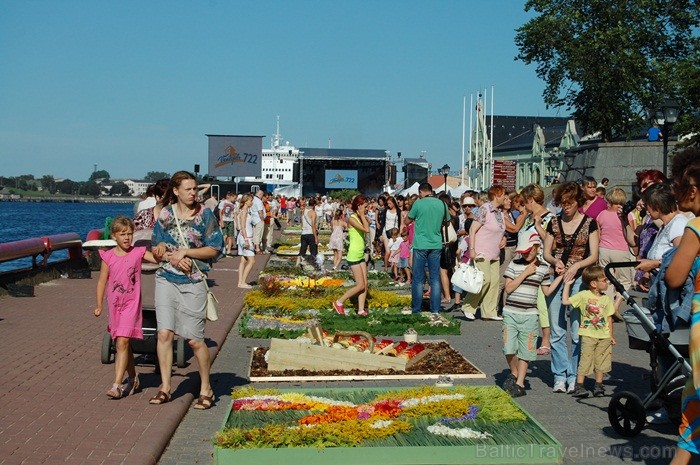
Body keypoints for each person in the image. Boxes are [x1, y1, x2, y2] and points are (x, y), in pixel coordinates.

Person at [150, 171, 224, 409]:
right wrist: (164, 251)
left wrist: (187, 252)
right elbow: (156, 243)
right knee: (164, 334)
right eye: (188, 189)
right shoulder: (165, 214)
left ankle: (206, 388)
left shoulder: (205, 215)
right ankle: (165, 387)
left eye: (195, 189)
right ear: (176, 191)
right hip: (166, 279)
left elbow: (215, 248)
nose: (193, 193)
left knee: (194, 340)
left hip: (193, 282)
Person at [94, 216, 162, 399]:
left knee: (123, 342)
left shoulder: (137, 252)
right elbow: (102, 282)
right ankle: (133, 377)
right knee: (122, 344)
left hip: (131, 305)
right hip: (115, 305)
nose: (127, 238)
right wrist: (99, 304)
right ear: (114, 236)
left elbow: (156, 259)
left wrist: (165, 252)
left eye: (130, 234)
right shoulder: (107, 256)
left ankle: (117, 385)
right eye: (122, 234)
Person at [543, 181, 600, 394]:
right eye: (562, 203)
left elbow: (594, 254)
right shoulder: (554, 222)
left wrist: (577, 264)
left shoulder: (590, 223)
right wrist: (554, 261)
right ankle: (559, 374)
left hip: (579, 279)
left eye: (569, 203)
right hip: (557, 277)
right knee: (557, 330)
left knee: (577, 330)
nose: (565, 207)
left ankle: (574, 374)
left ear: (578, 202)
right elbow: (546, 252)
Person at [664, 147, 700, 465]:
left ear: (693, 188)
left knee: (693, 414)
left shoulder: (696, 228)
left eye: (677, 187)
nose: (674, 193)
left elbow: (675, 277)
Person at [501, 230, 564, 398]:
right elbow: (508, 288)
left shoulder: (543, 268)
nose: (527, 254)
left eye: (530, 250)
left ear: (537, 247)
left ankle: (520, 383)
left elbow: (547, 291)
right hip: (511, 312)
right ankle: (514, 372)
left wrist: (560, 277)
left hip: (529, 314)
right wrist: (525, 273)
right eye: (524, 251)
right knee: (508, 348)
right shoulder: (515, 264)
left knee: (526, 350)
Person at [562, 265, 616, 398]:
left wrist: (611, 335)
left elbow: (609, 318)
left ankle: (598, 385)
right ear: (593, 283)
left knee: (602, 360)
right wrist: (567, 285)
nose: (607, 282)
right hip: (588, 335)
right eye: (604, 280)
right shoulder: (583, 295)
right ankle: (579, 385)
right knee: (585, 360)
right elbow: (565, 301)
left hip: (603, 336)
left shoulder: (606, 299)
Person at [460, 185, 507, 321]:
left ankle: (489, 311)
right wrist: (472, 249)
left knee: (494, 282)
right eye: (503, 194)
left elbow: (500, 230)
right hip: (482, 251)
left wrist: (503, 238)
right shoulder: (485, 209)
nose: (505, 197)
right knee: (484, 280)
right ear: (497, 195)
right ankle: (468, 306)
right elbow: (473, 229)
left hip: (494, 252)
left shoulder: (499, 212)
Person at [405, 183, 451, 314]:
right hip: (436, 244)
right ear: (431, 191)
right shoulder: (442, 204)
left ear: (421, 192)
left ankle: (416, 309)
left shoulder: (418, 204)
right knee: (435, 278)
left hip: (420, 244)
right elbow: (447, 222)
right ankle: (435, 309)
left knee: (418, 279)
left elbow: (407, 221)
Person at [596, 187, 634, 317]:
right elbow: (630, 235)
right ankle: (616, 305)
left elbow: (598, 235)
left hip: (603, 249)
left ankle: (607, 306)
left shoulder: (601, 215)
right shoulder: (624, 216)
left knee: (606, 279)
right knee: (626, 280)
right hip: (620, 250)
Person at [332, 195, 370, 316]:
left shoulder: (359, 217)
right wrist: (363, 216)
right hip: (353, 254)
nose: (367, 209)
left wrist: (363, 216)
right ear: (359, 206)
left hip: (360, 254)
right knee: (360, 285)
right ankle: (339, 302)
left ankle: (361, 309)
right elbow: (366, 230)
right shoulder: (352, 218)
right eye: (365, 207)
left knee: (365, 284)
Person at [236, 194, 256, 288]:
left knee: (243, 260)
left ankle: (240, 282)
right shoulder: (244, 211)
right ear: (246, 201)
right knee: (251, 261)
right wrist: (246, 240)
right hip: (245, 237)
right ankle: (243, 281)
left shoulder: (247, 211)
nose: (252, 202)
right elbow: (243, 227)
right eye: (250, 200)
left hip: (245, 236)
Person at [295, 197, 319, 268]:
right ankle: (313, 267)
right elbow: (313, 226)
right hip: (311, 234)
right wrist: (316, 237)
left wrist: (301, 201)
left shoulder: (304, 211)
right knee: (313, 252)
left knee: (302, 252)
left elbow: (302, 223)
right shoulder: (313, 213)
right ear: (314, 205)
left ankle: (296, 266)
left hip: (304, 234)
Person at [218, 192, 237, 256]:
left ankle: (229, 250)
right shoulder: (223, 202)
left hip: (231, 220)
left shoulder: (234, 204)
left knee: (230, 236)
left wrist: (236, 223)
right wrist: (221, 221)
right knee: (225, 235)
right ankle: (223, 249)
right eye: (234, 198)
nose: (235, 199)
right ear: (230, 197)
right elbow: (220, 212)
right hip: (224, 220)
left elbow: (234, 214)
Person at [250, 190, 265, 254]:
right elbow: (260, 211)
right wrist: (262, 219)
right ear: (260, 194)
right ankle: (257, 248)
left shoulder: (253, 200)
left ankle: (255, 247)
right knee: (258, 234)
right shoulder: (258, 201)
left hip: (253, 219)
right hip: (258, 219)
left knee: (255, 233)